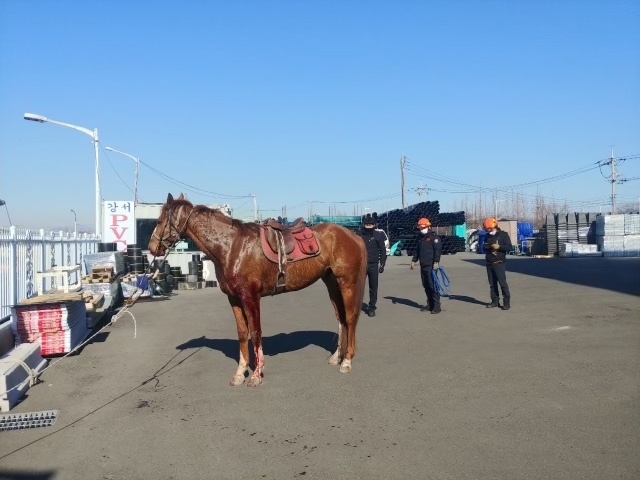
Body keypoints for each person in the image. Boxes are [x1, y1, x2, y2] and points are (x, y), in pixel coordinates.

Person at [356, 213, 387, 317]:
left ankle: (372, 307)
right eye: (367, 224)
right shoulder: (359, 234)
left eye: (371, 225)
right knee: (359, 287)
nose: (368, 226)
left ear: (374, 225)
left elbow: (383, 250)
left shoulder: (378, 235)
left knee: (373, 287)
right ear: (364, 224)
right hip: (361, 265)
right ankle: (357, 306)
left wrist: (382, 264)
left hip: (373, 264)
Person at [410, 218, 442, 314]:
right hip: (423, 265)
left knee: (432, 286)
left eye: (423, 228)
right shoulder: (420, 238)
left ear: (428, 226)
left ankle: (436, 306)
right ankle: (430, 304)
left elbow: (438, 250)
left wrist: (436, 262)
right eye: (420, 228)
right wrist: (413, 260)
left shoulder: (434, 238)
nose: (421, 229)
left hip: (431, 266)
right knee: (426, 285)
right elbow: (417, 250)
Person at [482, 217, 512, 310]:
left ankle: (506, 302)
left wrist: (499, 247)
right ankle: (495, 301)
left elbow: (508, 247)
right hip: (489, 262)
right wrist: (489, 247)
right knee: (492, 284)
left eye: (490, 229)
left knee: (502, 283)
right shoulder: (487, 236)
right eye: (487, 230)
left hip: (499, 262)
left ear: (494, 226)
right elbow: (483, 248)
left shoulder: (503, 235)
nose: (489, 231)